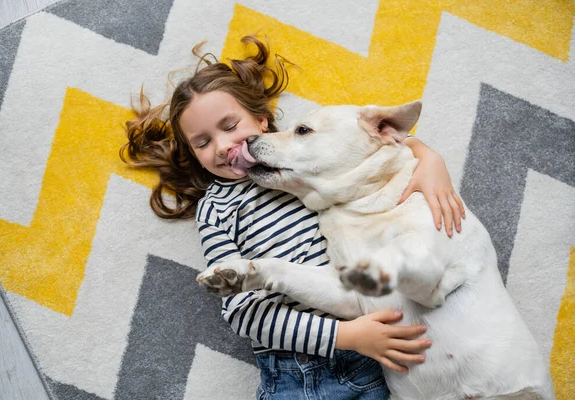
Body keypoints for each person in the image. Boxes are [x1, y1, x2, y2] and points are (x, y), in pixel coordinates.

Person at [121, 36, 465, 399]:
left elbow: (369, 151)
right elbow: (245, 314)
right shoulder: (216, 210)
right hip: (298, 371)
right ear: (193, 154)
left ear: (261, 119)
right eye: (203, 142)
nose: (222, 146)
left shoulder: (307, 165)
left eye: (229, 125)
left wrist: (429, 159)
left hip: (376, 356)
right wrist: (346, 336)